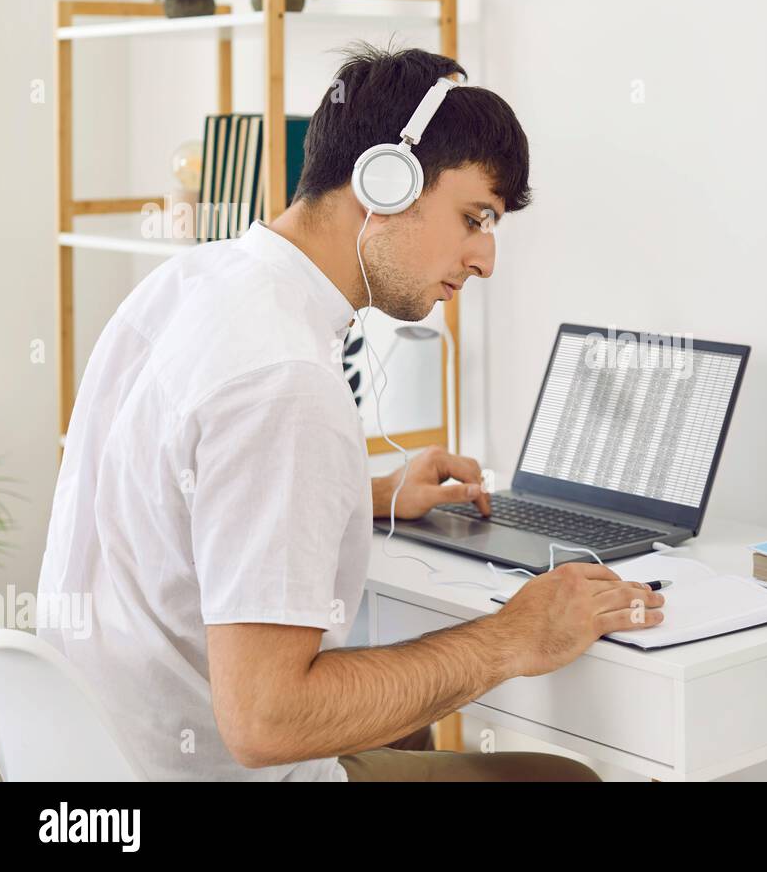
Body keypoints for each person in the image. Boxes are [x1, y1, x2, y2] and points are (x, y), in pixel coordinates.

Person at [37, 44, 664, 781]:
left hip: (89, 767)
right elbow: (268, 722)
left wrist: (363, 496)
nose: (486, 259)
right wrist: (512, 638)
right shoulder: (285, 379)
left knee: (413, 732)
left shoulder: (187, 284)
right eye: (474, 217)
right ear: (384, 181)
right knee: (567, 778)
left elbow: (163, 487)